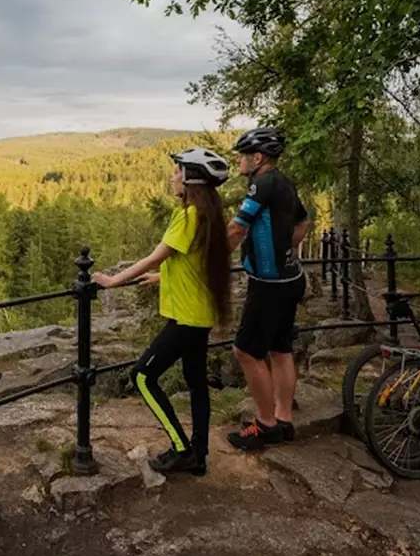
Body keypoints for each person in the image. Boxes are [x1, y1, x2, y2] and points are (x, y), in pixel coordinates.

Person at [92, 148, 232, 475]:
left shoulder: (187, 216)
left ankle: (182, 449)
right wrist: (161, 277)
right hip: (199, 314)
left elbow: (156, 255)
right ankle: (199, 454)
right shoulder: (206, 214)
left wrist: (113, 281)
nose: (172, 177)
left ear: (191, 180)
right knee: (196, 382)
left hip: (186, 318)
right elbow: (189, 263)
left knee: (141, 376)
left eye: (177, 172)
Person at [225, 126, 310, 450]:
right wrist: (284, 249)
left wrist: (207, 262)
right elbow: (303, 221)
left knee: (245, 351)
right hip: (290, 279)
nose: (239, 161)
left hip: (269, 285)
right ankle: (284, 419)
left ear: (257, 158)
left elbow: (235, 229)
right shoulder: (284, 182)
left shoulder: (261, 184)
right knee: (280, 349)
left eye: (242, 156)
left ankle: (265, 424)